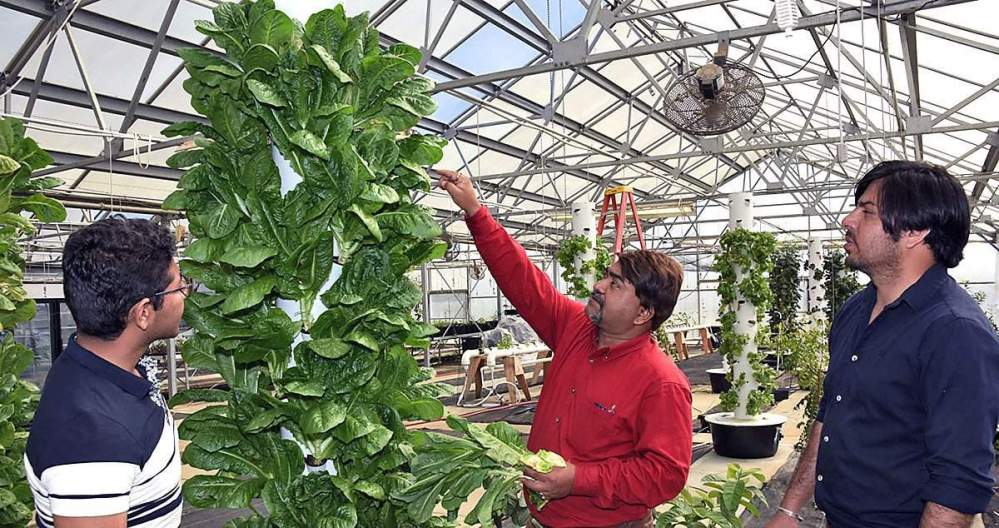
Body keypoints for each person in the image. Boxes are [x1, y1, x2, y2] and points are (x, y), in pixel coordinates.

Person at [437, 169, 692, 528]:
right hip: (543, 518)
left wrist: (579, 479)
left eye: (615, 284)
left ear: (644, 313)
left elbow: (665, 475)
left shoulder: (661, 382)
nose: (599, 285)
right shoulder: (575, 326)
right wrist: (475, 211)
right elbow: (522, 279)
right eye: (605, 274)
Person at [765, 161, 999, 528]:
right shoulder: (856, 310)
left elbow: (959, 480)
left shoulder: (955, 332)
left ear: (915, 231)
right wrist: (790, 508)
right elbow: (830, 413)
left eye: (867, 211)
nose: (848, 220)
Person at [25, 218, 187, 528]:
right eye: (178, 286)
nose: (185, 294)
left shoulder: (98, 363)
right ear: (143, 313)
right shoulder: (90, 437)